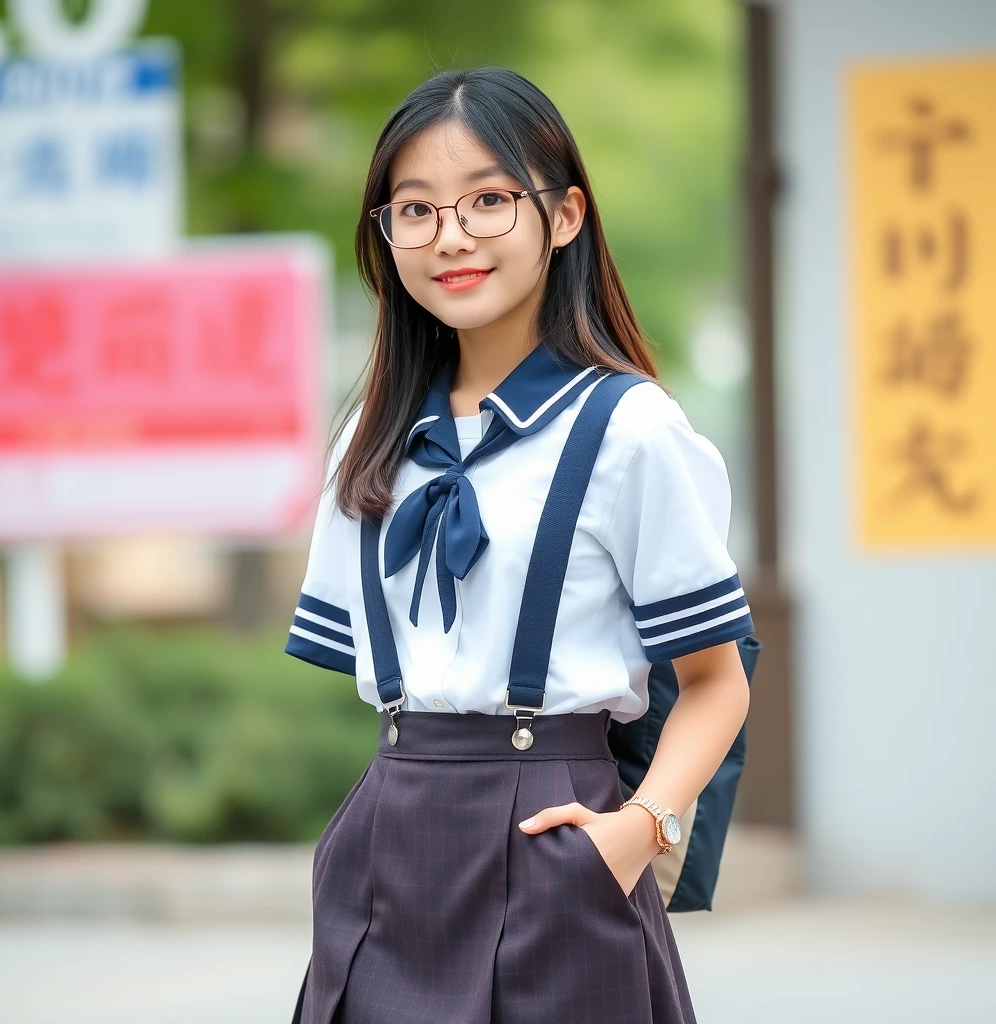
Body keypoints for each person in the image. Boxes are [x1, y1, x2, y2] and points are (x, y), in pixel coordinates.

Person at [286, 66, 754, 1024]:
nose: (450, 236)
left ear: (566, 215)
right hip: (390, 838)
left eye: (489, 201)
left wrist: (637, 832)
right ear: (386, 236)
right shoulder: (366, 442)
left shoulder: (632, 432)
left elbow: (716, 681)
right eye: (414, 210)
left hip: (558, 835)